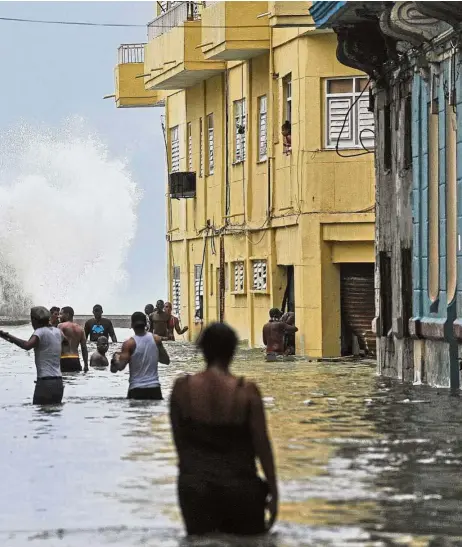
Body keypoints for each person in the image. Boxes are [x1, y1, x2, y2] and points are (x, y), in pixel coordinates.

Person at [170, 322, 278, 536]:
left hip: (196, 489)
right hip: (240, 488)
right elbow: (262, 446)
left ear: (203, 350)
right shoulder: (246, 392)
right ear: (233, 350)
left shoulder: (182, 390)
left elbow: (180, 445)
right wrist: (274, 492)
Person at [0, 306, 64, 404]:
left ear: (34, 320)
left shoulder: (40, 332)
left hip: (45, 382)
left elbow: (27, 345)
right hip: (59, 382)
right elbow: (67, 342)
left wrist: (7, 335)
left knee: (40, 417)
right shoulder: (58, 331)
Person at [111, 311, 170, 400]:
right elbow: (166, 361)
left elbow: (119, 367)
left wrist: (115, 359)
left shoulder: (129, 344)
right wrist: (151, 356)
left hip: (136, 389)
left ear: (132, 325)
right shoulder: (156, 339)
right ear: (146, 324)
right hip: (155, 388)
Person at [59, 306, 89, 373]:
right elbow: (84, 348)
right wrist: (86, 365)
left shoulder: (61, 326)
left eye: (61, 314)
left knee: (64, 382)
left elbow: (55, 343)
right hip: (76, 360)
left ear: (67, 314)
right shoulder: (80, 329)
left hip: (64, 359)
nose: (59, 316)